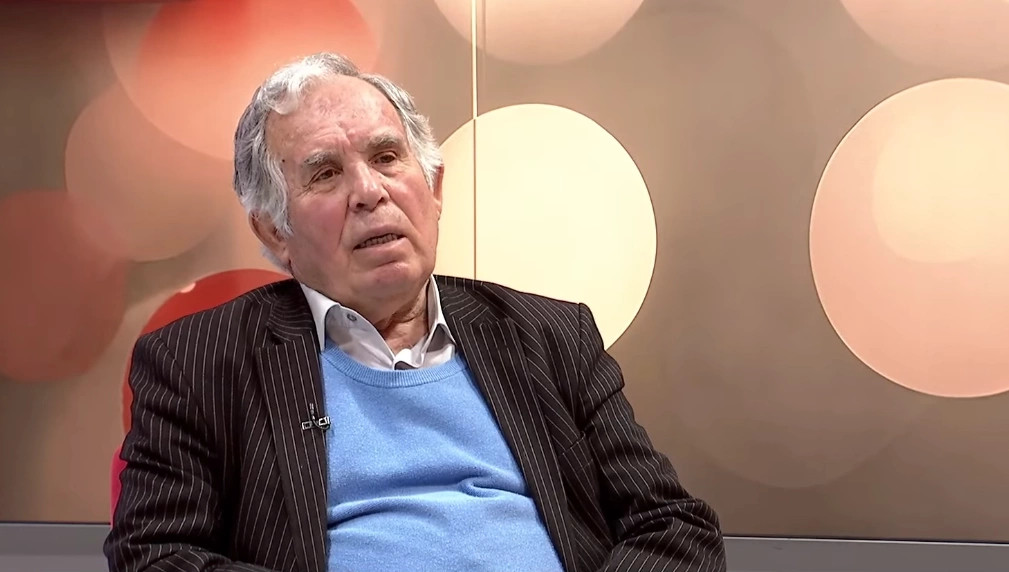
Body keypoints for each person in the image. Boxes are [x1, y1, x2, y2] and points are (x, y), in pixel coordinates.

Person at [104, 51, 727, 572]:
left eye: (386, 157)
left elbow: (672, 526)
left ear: (433, 188)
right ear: (274, 230)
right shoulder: (199, 361)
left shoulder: (550, 335)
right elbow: (154, 556)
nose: (369, 191)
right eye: (326, 174)